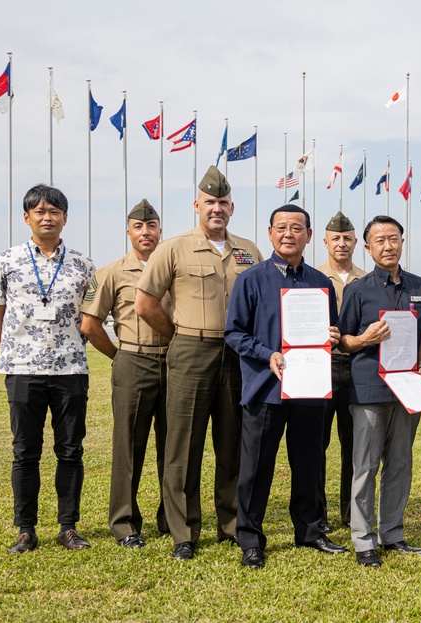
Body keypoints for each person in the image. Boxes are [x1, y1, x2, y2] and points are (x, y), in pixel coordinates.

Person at [135, 166, 263, 561]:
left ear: (232, 207)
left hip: (238, 356)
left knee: (234, 445)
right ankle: (184, 532)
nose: (216, 208)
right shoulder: (172, 248)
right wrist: (178, 335)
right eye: (210, 202)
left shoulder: (249, 251)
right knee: (183, 446)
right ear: (196, 205)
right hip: (191, 350)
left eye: (223, 202)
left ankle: (231, 525)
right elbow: (145, 303)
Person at [225, 204, 349, 569]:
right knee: (256, 467)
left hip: (310, 388)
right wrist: (267, 355)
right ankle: (250, 537)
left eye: (297, 228)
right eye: (281, 228)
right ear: (270, 233)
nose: (288, 234)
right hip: (266, 388)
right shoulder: (251, 279)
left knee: (309, 463)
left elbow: (333, 333)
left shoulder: (320, 282)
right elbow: (234, 332)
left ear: (309, 235)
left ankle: (310, 531)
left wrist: (333, 335)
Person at [0, 184, 96, 553]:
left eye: (55, 211)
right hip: (22, 369)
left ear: (65, 218)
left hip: (71, 370)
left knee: (70, 450)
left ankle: (68, 527)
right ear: (26, 217)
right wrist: (19, 352)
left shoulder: (83, 265)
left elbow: (91, 317)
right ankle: (26, 529)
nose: (47, 217)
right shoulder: (5, 261)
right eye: (40, 211)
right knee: (25, 452)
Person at [337, 215, 421, 567]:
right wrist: (365, 339)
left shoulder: (420, 286)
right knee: (364, 466)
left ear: (402, 242)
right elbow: (342, 342)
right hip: (369, 390)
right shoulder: (357, 290)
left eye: (393, 238)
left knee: (399, 465)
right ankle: (364, 541)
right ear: (368, 247)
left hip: (408, 390)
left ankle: (392, 534)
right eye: (379, 240)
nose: (388, 245)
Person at [80, 199, 170, 548]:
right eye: (138, 227)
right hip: (134, 360)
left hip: (174, 361)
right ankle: (125, 523)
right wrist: (118, 356)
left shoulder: (173, 266)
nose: (145, 232)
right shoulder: (110, 273)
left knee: (174, 446)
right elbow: (90, 324)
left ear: (160, 230)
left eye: (151, 226)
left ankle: (171, 518)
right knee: (129, 446)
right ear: (128, 232)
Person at [317, 211, 367, 530]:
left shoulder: (367, 281)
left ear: (356, 243)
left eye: (347, 238)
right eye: (336, 238)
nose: (341, 243)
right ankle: (317, 514)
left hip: (356, 369)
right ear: (325, 241)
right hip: (320, 368)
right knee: (316, 444)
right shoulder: (312, 277)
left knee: (354, 445)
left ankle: (351, 513)